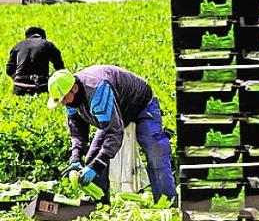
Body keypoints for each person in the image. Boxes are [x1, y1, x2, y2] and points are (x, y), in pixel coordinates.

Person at [47, 66, 177, 204]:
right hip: (116, 111)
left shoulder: (97, 92)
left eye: (64, 99)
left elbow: (114, 133)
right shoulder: (70, 101)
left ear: (74, 88)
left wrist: (97, 166)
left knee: (155, 150)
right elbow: (77, 132)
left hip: (141, 104)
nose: (63, 103)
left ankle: (168, 203)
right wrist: (75, 157)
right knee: (93, 157)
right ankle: (98, 205)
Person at [7, 27, 64, 97]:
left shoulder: (18, 46)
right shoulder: (48, 45)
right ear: (43, 36)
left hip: (20, 88)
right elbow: (60, 69)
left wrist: (19, 78)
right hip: (41, 86)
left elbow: (9, 70)